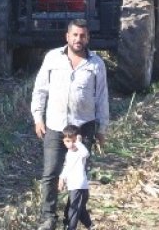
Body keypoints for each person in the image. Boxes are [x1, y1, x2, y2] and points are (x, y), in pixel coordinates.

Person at [31, 19, 109, 230]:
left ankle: (71, 218)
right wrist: (38, 117)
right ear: (67, 36)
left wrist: (102, 129)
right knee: (50, 173)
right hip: (56, 126)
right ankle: (48, 217)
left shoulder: (96, 64)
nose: (78, 39)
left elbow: (102, 97)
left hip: (83, 127)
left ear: (88, 38)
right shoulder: (52, 58)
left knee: (78, 177)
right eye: (74, 35)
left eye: (82, 36)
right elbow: (40, 90)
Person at [58, 124, 92, 230]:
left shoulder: (79, 151)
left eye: (73, 141)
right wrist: (62, 178)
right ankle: (90, 226)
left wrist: (78, 142)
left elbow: (86, 153)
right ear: (64, 141)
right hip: (73, 186)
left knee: (74, 210)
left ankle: (71, 227)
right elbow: (67, 167)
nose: (71, 144)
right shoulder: (69, 153)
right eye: (68, 141)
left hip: (79, 186)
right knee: (78, 209)